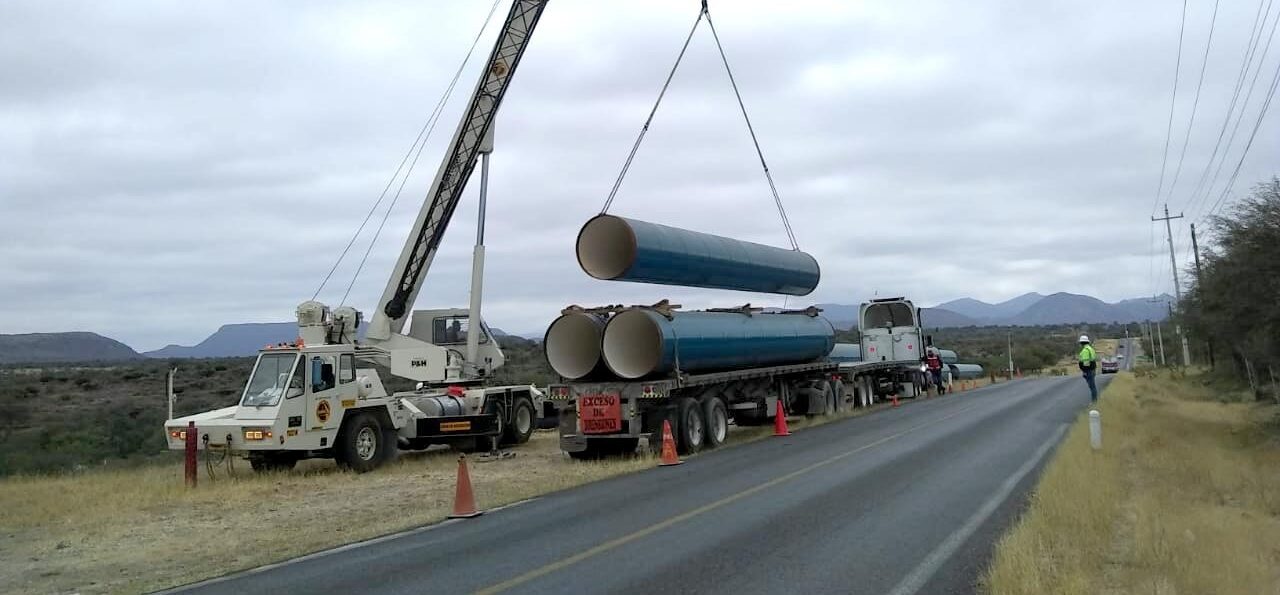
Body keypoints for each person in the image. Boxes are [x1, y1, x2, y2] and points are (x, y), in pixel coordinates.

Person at [1078, 334, 1098, 402]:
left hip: (1088, 370)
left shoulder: (1085, 350)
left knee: (1092, 387)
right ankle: (1094, 400)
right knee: (1093, 386)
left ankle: (1094, 401)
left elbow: (1086, 363)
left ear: (1081, 343)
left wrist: (1084, 371)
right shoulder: (1091, 349)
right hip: (1092, 369)